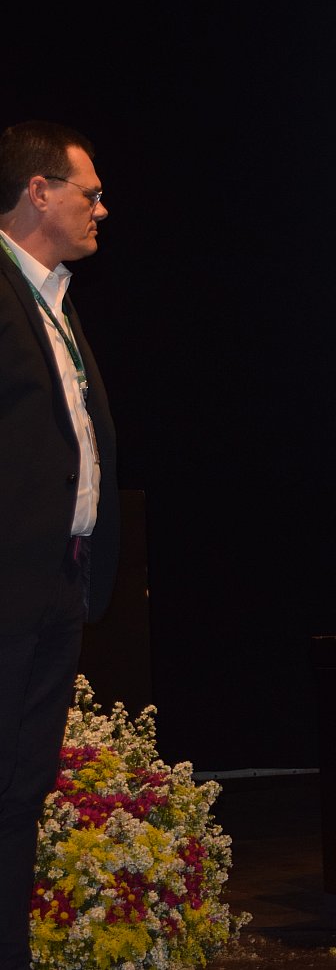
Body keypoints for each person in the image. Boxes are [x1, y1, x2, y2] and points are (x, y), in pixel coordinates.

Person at [0, 121, 119, 970]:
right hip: (7, 585)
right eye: (90, 192)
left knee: (21, 790)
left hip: (56, 584)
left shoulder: (55, 300)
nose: (101, 209)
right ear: (38, 191)